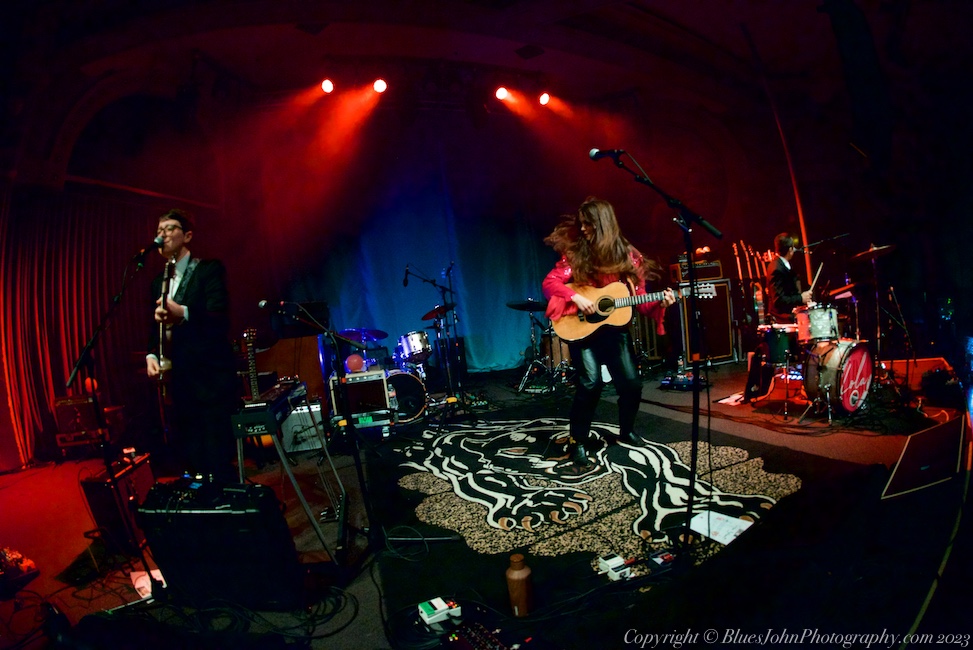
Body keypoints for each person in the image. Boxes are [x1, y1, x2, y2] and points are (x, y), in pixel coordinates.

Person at [542, 198, 676, 469]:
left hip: (615, 330)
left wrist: (660, 303)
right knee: (590, 384)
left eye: (588, 224)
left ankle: (626, 431)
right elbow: (550, 282)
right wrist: (576, 297)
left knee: (632, 384)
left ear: (603, 224)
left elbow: (640, 301)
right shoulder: (577, 253)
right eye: (581, 224)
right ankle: (578, 441)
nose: (583, 229)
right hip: (582, 329)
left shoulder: (629, 257)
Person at [145, 208, 240, 482]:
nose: (162, 235)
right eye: (159, 230)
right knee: (191, 450)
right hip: (180, 378)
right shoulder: (158, 282)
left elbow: (219, 316)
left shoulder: (208, 270)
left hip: (210, 377)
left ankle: (226, 498)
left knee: (216, 452)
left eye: (170, 229)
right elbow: (154, 326)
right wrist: (152, 354)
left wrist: (183, 312)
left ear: (187, 235)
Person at [765, 232, 813, 324]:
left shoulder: (782, 265)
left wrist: (802, 299)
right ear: (790, 249)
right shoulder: (777, 269)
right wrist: (800, 298)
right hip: (781, 319)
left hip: (787, 315)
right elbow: (778, 301)